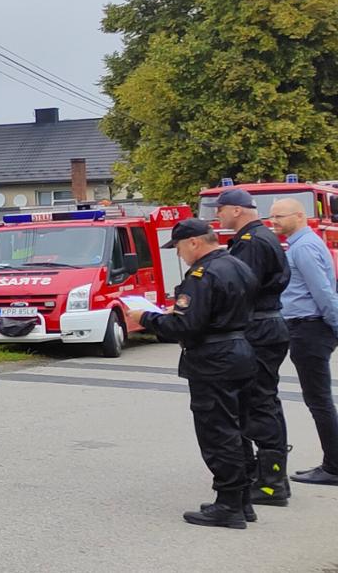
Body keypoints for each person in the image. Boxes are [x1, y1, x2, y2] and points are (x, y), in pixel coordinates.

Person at [123, 218, 258, 528]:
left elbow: (184, 327)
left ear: (195, 242)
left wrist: (148, 317)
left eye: (180, 248)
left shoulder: (202, 274)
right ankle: (242, 499)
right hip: (239, 350)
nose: (180, 254)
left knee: (217, 431)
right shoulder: (237, 265)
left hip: (214, 360)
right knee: (238, 428)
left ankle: (228, 505)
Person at [216, 188, 292, 506]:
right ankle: (267, 476)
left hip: (259, 326)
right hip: (265, 324)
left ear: (236, 210)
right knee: (260, 401)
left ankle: (273, 483)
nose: (216, 216)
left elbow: (241, 287)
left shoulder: (252, 242)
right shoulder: (259, 238)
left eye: (220, 210)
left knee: (260, 402)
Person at [268, 198, 338, 487]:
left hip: (309, 328)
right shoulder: (300, 244)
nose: (273, 222)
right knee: (318, 399)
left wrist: (335, 325)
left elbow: (322, 291)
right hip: (306, 327)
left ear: (299, 216)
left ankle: (333, 466)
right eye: (271, 217)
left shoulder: (304, 247)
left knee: (318, 399)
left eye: (279, 217)